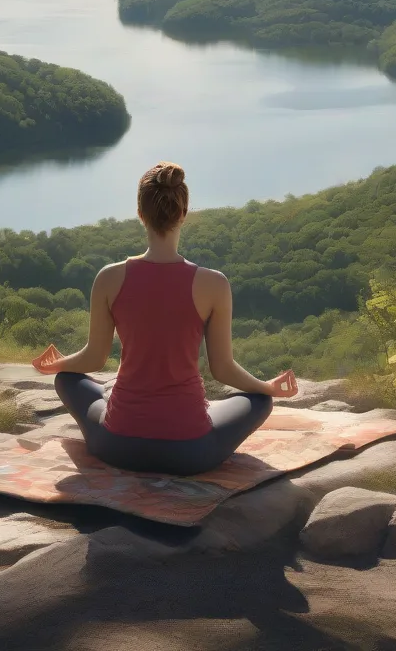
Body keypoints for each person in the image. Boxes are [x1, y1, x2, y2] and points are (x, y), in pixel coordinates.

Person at [31, 161, 298, 476]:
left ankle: (113, 390)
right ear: (183, 213)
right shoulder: (214, 284)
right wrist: (267, 387)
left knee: (67, 378)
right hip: (190, 453)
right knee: (259, 401)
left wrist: (57, 364)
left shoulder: (109, 278)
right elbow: (223, 369)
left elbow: (93, 358)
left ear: (140, 213)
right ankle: (155, 401)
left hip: (117, 447)